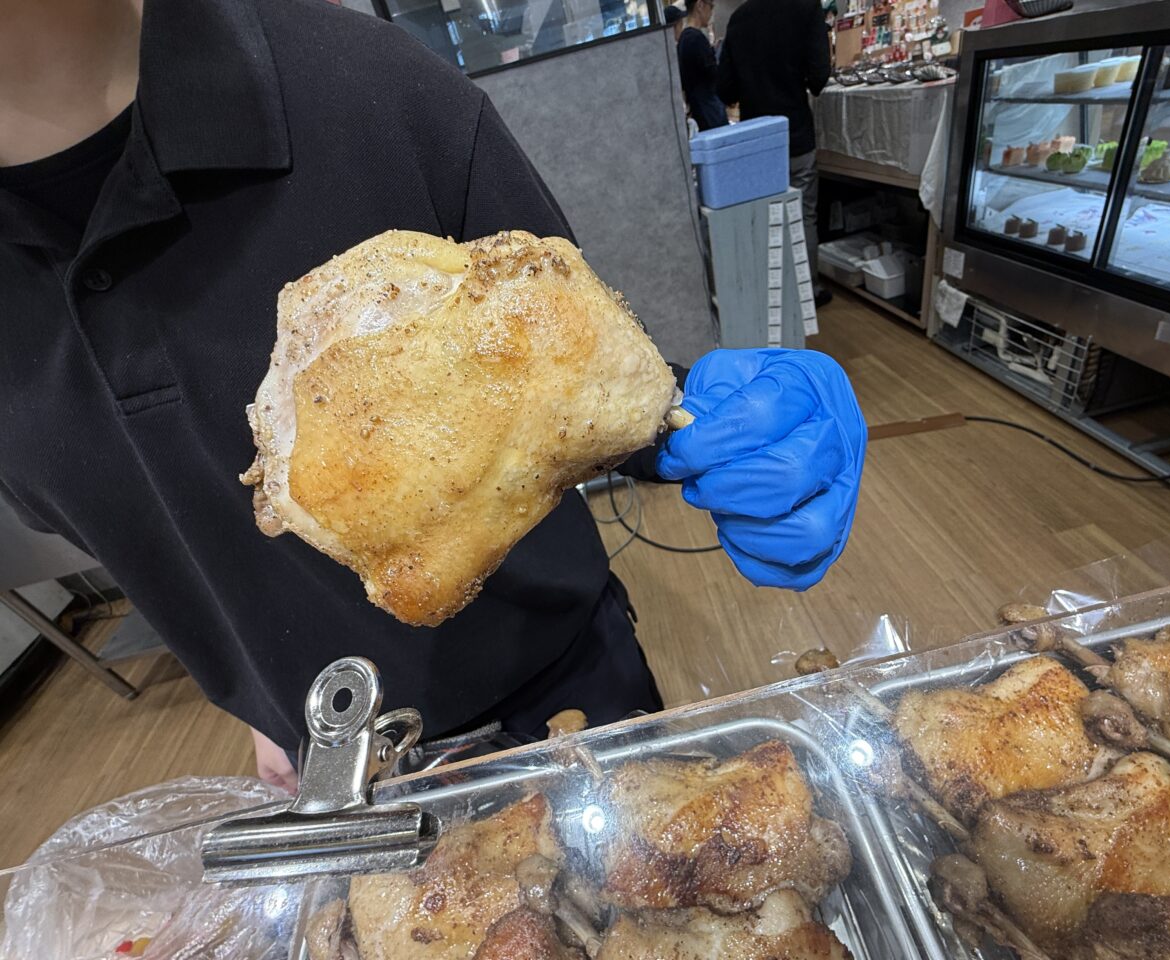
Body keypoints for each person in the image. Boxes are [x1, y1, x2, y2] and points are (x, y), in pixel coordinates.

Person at [0, 0, 865, 794]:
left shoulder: (362, 88)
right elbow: (147, 514)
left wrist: (737, 424)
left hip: (562, 698)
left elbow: (577, 373)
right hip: (322, 757)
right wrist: (263, 693)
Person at [716, 0, 833, 305]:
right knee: (802, 215)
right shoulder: (806, 8)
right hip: (794, 132)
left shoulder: (739, 18)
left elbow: (725, 88)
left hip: (755, 141)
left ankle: (767, 296)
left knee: (761, 217)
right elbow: (820, 75)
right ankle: (808, 294)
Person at [674, 0, 727, 133]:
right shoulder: (696, 39)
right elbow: (714, 74)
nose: (711, 12)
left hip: (699, 112)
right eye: (711, 6)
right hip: (711, 113)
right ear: (699, 5)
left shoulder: (684, 40)